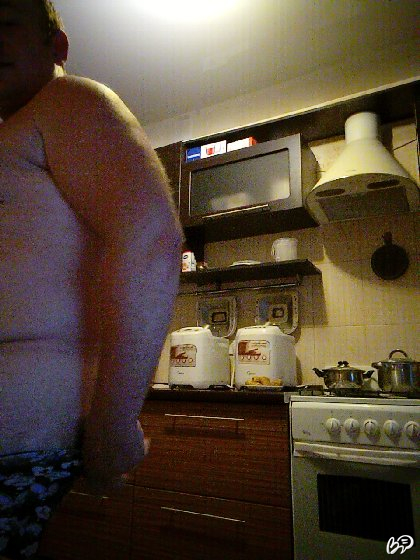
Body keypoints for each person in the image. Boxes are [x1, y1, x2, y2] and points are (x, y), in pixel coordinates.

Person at [0, 0, 183, 557]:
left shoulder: (65, 100)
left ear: (56, 45)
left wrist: (114, 422)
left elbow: (149, 239)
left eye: (3, 26)